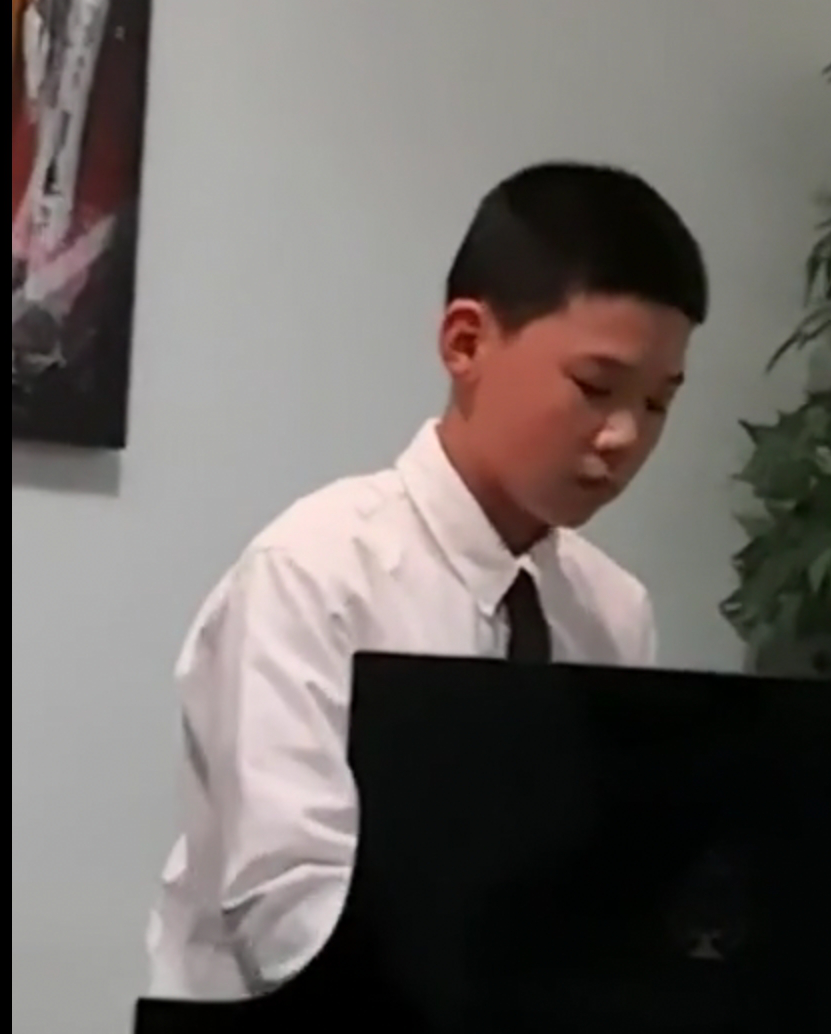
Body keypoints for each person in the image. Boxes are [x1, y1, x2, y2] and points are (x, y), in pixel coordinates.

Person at [143, 162, 708, 1000]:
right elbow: (290, 913)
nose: (625, 435)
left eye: (659, 403)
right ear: (466, 343)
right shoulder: (314, 577)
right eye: (595, 387)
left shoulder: (612, 612)